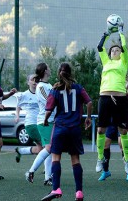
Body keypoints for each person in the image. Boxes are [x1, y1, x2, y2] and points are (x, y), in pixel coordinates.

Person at [41, 62, 92, 201]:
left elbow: (49, 109)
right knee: (75, 159)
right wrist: (88, 118)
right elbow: (89, 103)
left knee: (56, 158)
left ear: (59, 73)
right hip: (74, 129)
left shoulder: (55, 89)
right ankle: (79, 192)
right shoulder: (78, 87)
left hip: (60, 128)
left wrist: (45, 120)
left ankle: (56, 188)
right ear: (71, 73)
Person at [95, 24, 128, 181]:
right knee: (100, 131)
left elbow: (124, 46)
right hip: (104, 97)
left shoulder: (123, 63)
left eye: (116, 50)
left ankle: (127, 161)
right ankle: (100, 158)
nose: (114, 51)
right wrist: (106, 34)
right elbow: (99, 47)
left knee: (123, 132)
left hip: (120, 99)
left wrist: (120, 33)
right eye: (112, 50)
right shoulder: (107, 62)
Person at [25, 63, 55, 186]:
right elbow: (50, 101)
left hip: (52, 120)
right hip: (45, 121)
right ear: (44, 71)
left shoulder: (49, 85)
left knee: (49, 149)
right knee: (48, 148)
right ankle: (31, 171)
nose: (50, 68)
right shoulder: (41, 86)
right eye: (48, 67)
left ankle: (47, 177)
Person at [99, 83, 128, 181]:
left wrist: (127, 88)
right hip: (111, 117)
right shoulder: (110, 84)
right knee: (106, 143)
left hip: (122, 115)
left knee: (121, 143)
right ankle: (105, 171)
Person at [14, 74, 43, 163]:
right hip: (31, 124)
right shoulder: (25, 94)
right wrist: (17, 116)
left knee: (40, 149)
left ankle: (21, 151)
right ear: (28, 82)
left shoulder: (41, 94)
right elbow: (18, 106)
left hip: (41, 123)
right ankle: (45, 171)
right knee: (47, 146)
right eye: (32, 80)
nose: (34, 82)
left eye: (36, 80)